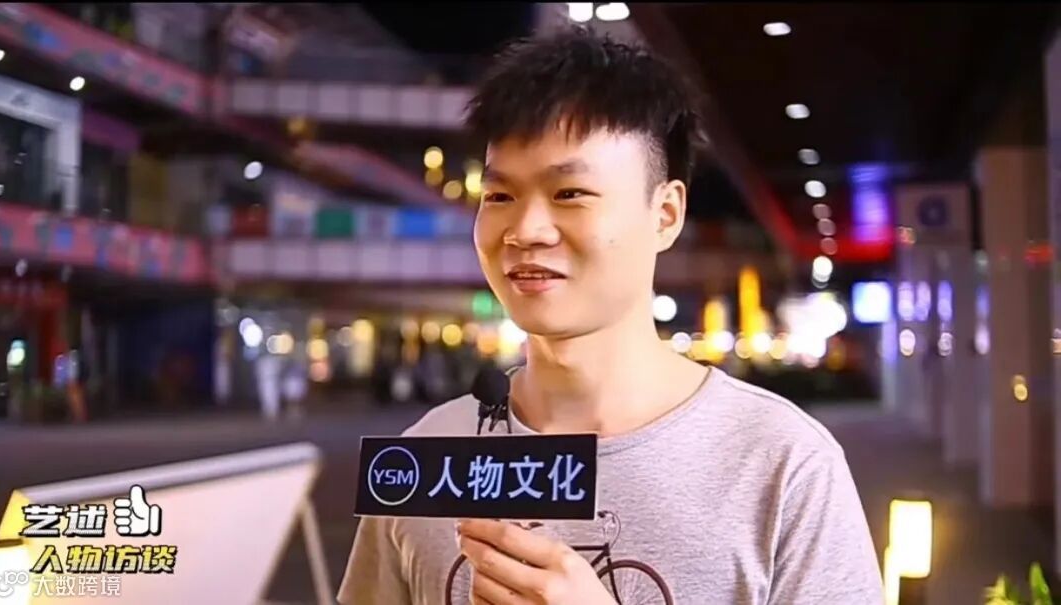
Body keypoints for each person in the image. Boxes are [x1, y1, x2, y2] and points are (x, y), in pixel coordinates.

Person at [338, 28, 884, 605]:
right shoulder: (432, 452)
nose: (525, 230)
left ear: (665, 214)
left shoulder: (781, 463)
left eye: (569, 193)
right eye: (499, 197)